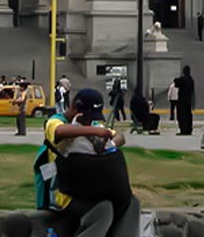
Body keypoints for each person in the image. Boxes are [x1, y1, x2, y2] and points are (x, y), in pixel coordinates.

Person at [41, 88, 140, 237]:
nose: (89, 121)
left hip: (91, 186)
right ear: (74, 108)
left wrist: (109, 144)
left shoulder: (93, 125)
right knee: (103, 209)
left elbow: (119, 137)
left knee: (131, 202)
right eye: (86, 116)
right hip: (65, 193)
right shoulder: (55, 122)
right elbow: (60, 132)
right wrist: (93, 132)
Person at [174, 66, 195, 135]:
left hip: (182, 100)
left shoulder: (183, 79)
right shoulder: (191, 80)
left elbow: (176, 82)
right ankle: (189, 129)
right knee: (188, 115)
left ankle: (183, 129)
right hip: (188, 100)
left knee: (181, 115)